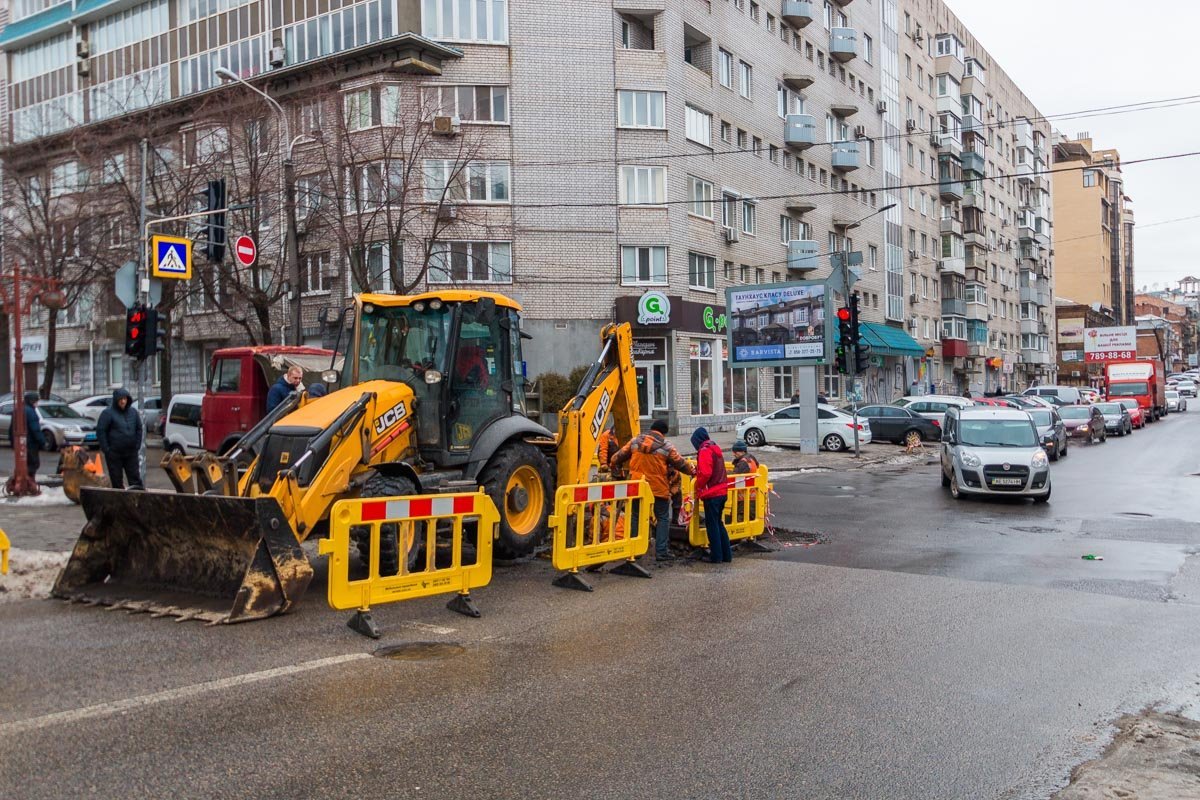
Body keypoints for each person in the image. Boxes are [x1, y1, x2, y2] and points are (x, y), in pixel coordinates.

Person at [610, 419, 694, 562]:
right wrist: (692, 470)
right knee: (662, 518)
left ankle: (634, 551)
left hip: (637, 486)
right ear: (663, 433)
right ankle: (661, 552)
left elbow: (617, 457)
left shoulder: (635, 441)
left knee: (635, 515)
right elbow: (680, 463)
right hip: (658, 487)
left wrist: (613, 465)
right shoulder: (667, 446)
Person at [691, 427, 731, 564]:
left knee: (712, 525)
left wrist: (698, 485)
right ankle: (726, 555)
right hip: (722, 491)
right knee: (719, 524)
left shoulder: (704, 451)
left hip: (712, 493)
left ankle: (716, 556)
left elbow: (706, 473)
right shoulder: (715, 448)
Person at [96, 387, 143, 490]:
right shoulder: (108, 413)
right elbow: (101, 431)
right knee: (116, 480)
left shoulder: (133, 412)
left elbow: (139, 429)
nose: (123, 401)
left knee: (135, 479)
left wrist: (137, 445)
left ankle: (138, 501)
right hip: (114, 454)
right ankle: (120, 503)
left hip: (131, 452)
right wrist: (107, 450)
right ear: (116, 400)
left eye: (125, 399)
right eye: (120, 399)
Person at [8, 391, 45, 478]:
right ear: (32, 401)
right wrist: (42, 441)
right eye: (36, 401)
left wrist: (12, 441)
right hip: (30, 443)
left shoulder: (17, 410)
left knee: (21, 463)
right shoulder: (31, 412)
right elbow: (35, 429)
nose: (37, 403)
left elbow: (11, 428)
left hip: (19, 443)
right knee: (33, 464)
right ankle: (28, 482)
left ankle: (21, 479)